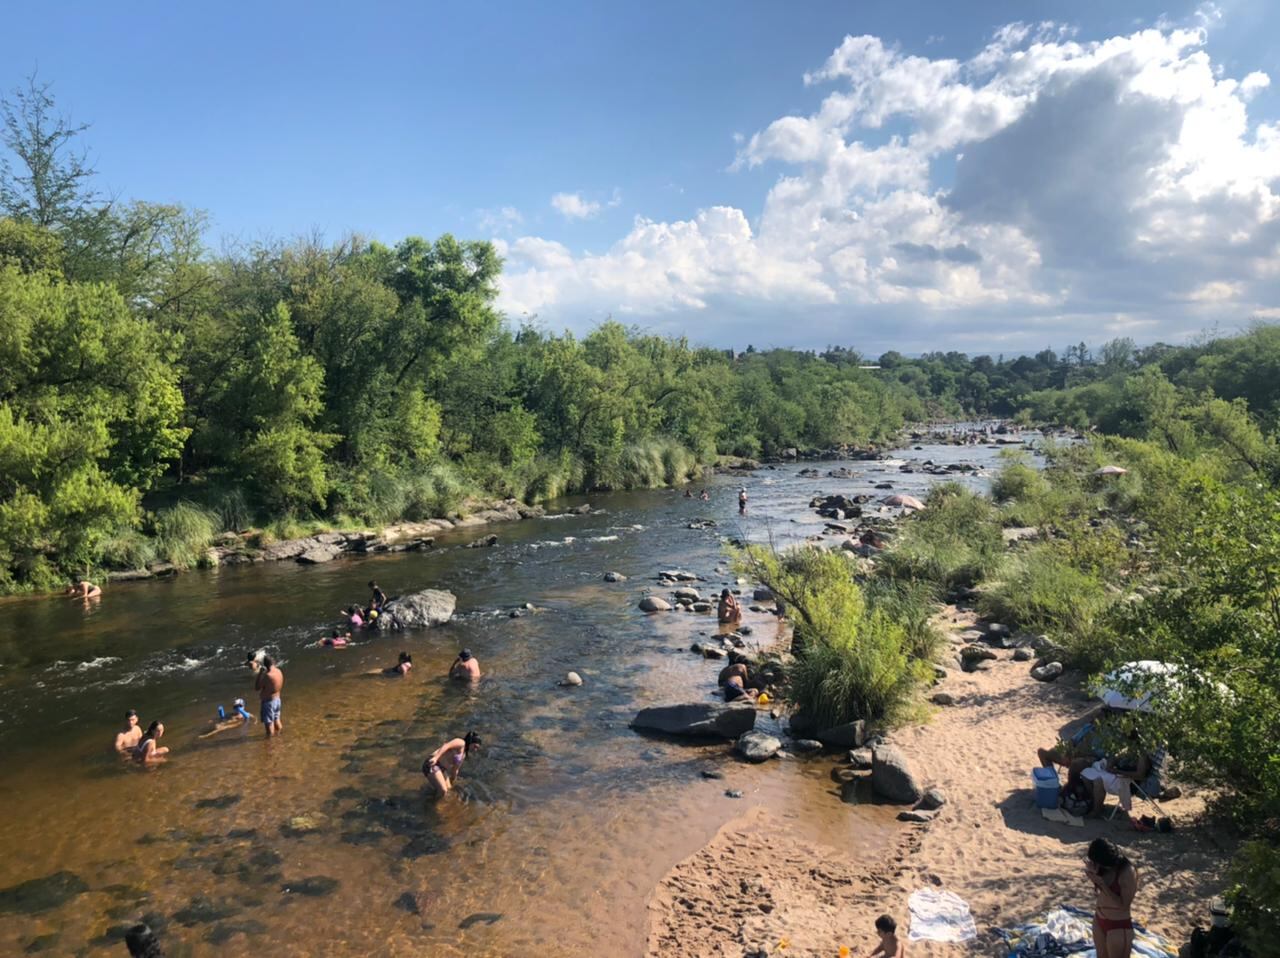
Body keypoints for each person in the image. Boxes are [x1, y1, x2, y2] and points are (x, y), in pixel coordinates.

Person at [1086, 837, 1138, 958]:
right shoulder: (1102, 867)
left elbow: (1123, 905)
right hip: (1099, 919)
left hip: (1118, 926)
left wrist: (1102, 884)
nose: (1094, 864)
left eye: (1096, 863)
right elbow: (1103, 893)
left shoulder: (1127, 872)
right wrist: (1094, 875)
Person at [422, 731, 481, 797]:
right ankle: (432, 805)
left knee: (449, 789)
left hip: (442, 769)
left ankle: (432, 796)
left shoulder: (463, 755)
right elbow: (446, 745)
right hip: (433, 763)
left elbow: (455, 770)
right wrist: (436, 757)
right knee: (443, 790)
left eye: (477, 748)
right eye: (475, 746)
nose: (475, 750)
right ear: (470, 742)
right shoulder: (461, 742)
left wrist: (452, 781)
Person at [254, 654, 284, 738]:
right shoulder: (279, 671)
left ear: (265, 665)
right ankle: (280, 736)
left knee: (269, 724)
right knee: (277, 719)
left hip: (269, 702)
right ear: (273, 662)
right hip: (277, 699)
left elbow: (257, 687)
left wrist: (260, 674)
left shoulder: (268, 676)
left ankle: (270, 742)